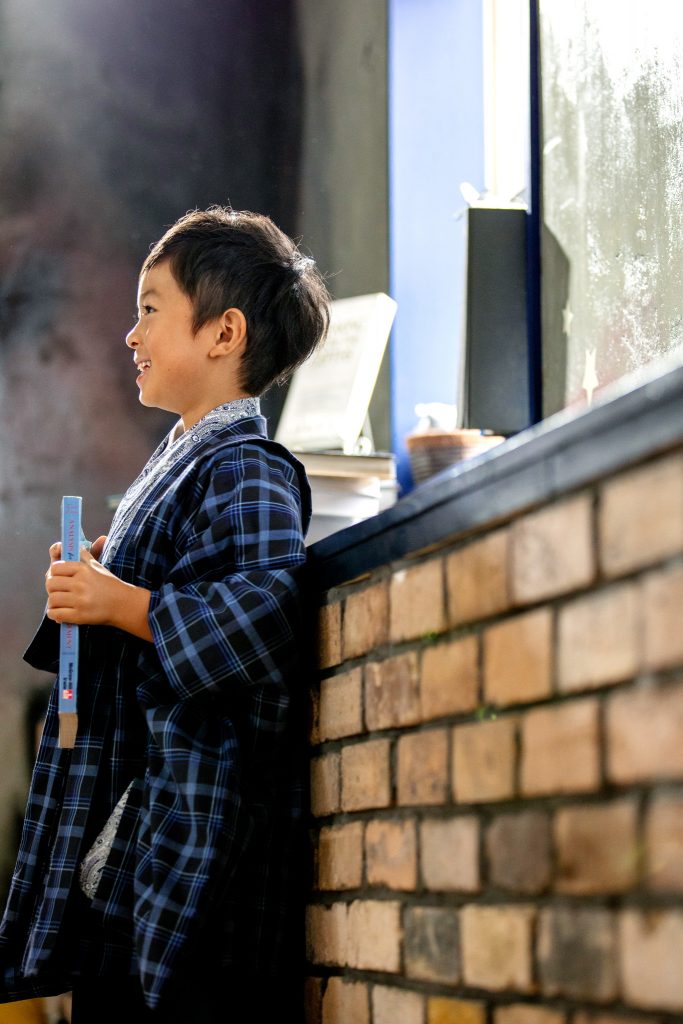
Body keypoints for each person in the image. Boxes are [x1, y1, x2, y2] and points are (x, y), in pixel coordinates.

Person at [0, 207, 330, 1021]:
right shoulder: (182, 464)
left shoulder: (247, 467)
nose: (130, 333)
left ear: (223, 334)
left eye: (150, 308)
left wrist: (122, 599)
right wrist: (98, 585)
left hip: (196, 849)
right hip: (137, 843)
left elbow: (264, 606)